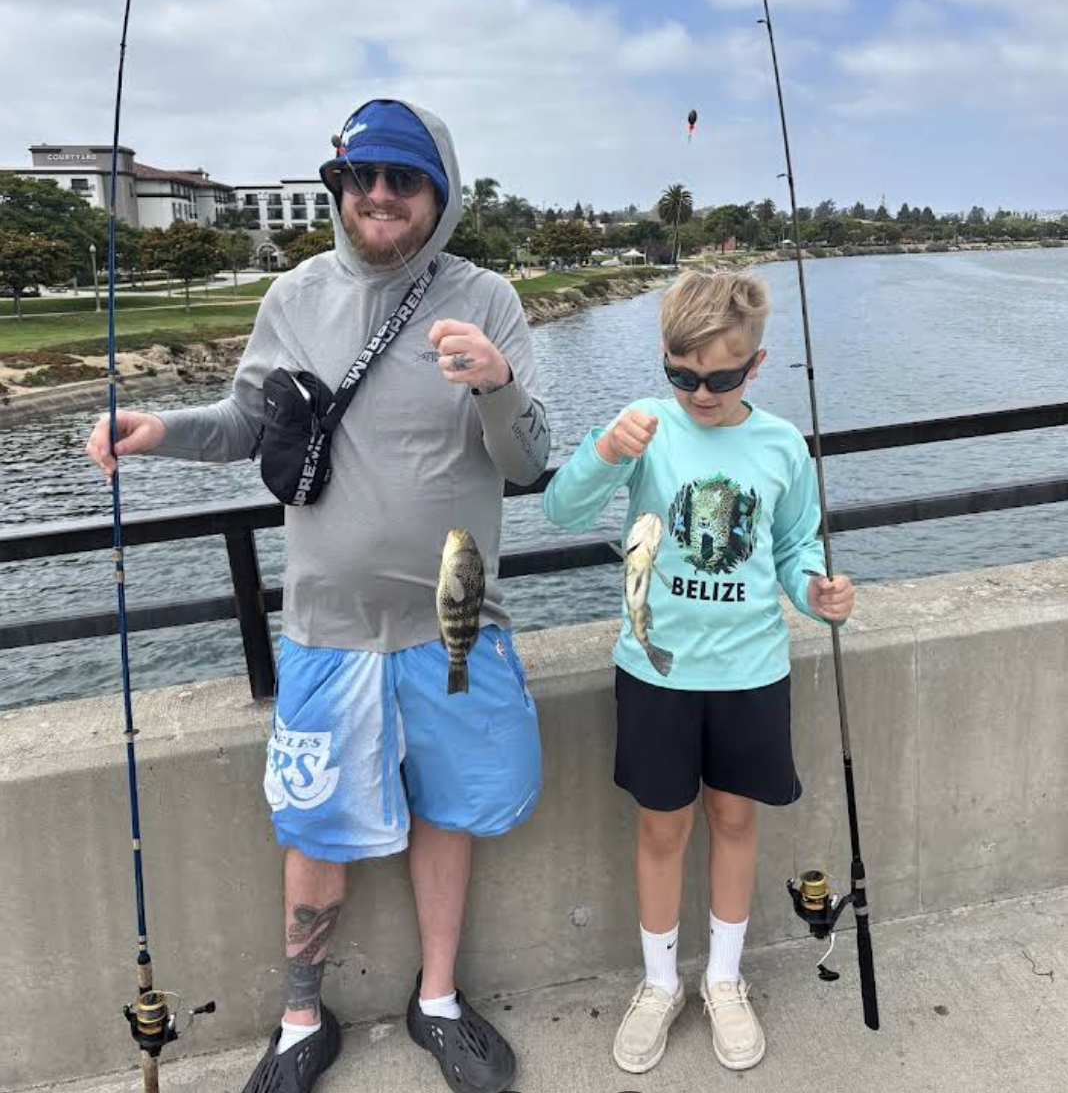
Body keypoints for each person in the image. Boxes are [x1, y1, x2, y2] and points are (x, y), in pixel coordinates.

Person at [86, 99, 550, 1093]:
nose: (380, 195)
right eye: (362, 177)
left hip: (451, 626)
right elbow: (247, 422)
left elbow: (530, 461)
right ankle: (302, 1016)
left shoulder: (489, 298)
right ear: (340, 187)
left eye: (405, 179)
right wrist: (155, 430)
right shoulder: (293, 296)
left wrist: (500, 383)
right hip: (325, 631)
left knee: (448, 814)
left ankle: (438, 999)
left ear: (440, 194)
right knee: (312, 829)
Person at [541, 269, 853, 1075]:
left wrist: (819, 592)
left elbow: (794, 547)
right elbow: (563, 510)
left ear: (757, 364)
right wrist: (606, 451)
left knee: (737, 820)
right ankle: (657, 984)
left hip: (751, 671)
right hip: (655, 671)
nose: (699, 392)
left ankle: (722, 978)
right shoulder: (644, 428)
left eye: (719, 377)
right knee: (660, 827)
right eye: (682, 375)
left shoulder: (783, 444)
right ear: (665, 360)